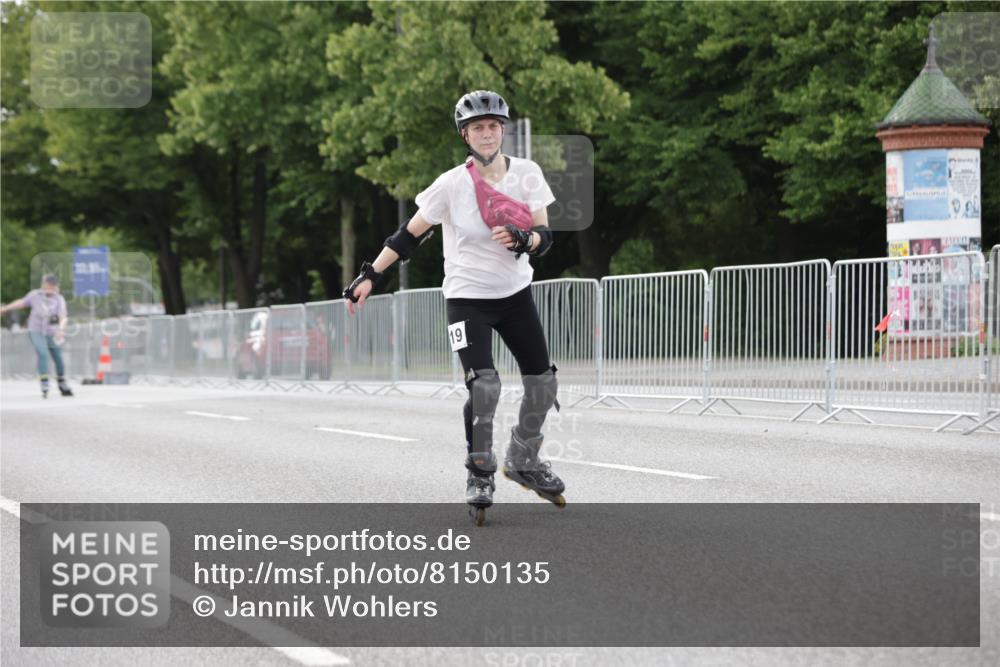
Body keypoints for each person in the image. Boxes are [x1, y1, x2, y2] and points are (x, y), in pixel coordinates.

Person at [343, 90, 564, 525]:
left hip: (515, 295)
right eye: (478, 127)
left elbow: (545, 236)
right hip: (468, 299)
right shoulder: (451, 184)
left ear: (503, 131)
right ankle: (480, 472)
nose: (487, 133)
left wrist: (525, 240)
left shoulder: (528, 174)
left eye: (493, 126)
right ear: (465, 134)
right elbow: (407, 236)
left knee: (543, 383)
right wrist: (370, 274)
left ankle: (524, 458)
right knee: (485, 386)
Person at [0, 274, 74, 398]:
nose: (49, 287)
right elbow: (22, 303)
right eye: (48, 284)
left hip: (52, 331)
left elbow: (63, 317)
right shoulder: (35, 295)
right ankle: (44, 382)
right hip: (36, 330)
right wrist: (5, 308)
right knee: (42, 352)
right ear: (43, 284)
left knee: (58, 357)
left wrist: (61, 329)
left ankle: (62, 382)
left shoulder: (59, 299)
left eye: (52, 285)